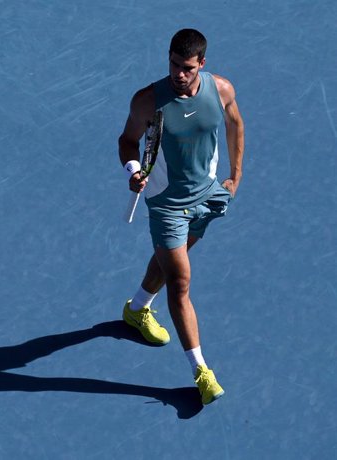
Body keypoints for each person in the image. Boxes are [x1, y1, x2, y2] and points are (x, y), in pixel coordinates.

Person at [117, 28, 244, 405]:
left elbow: (235, 124)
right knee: (180, 281)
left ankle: (136, 309)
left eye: (187, 67)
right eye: (174, 64)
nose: (179, 74)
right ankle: (201, 371)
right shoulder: (147, 101)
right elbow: (127, 141)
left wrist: (235, 177)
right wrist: (133, 171)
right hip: (167, 204)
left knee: (171, 262)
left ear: (201, 64)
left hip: (207, 196)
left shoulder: (220, 89)